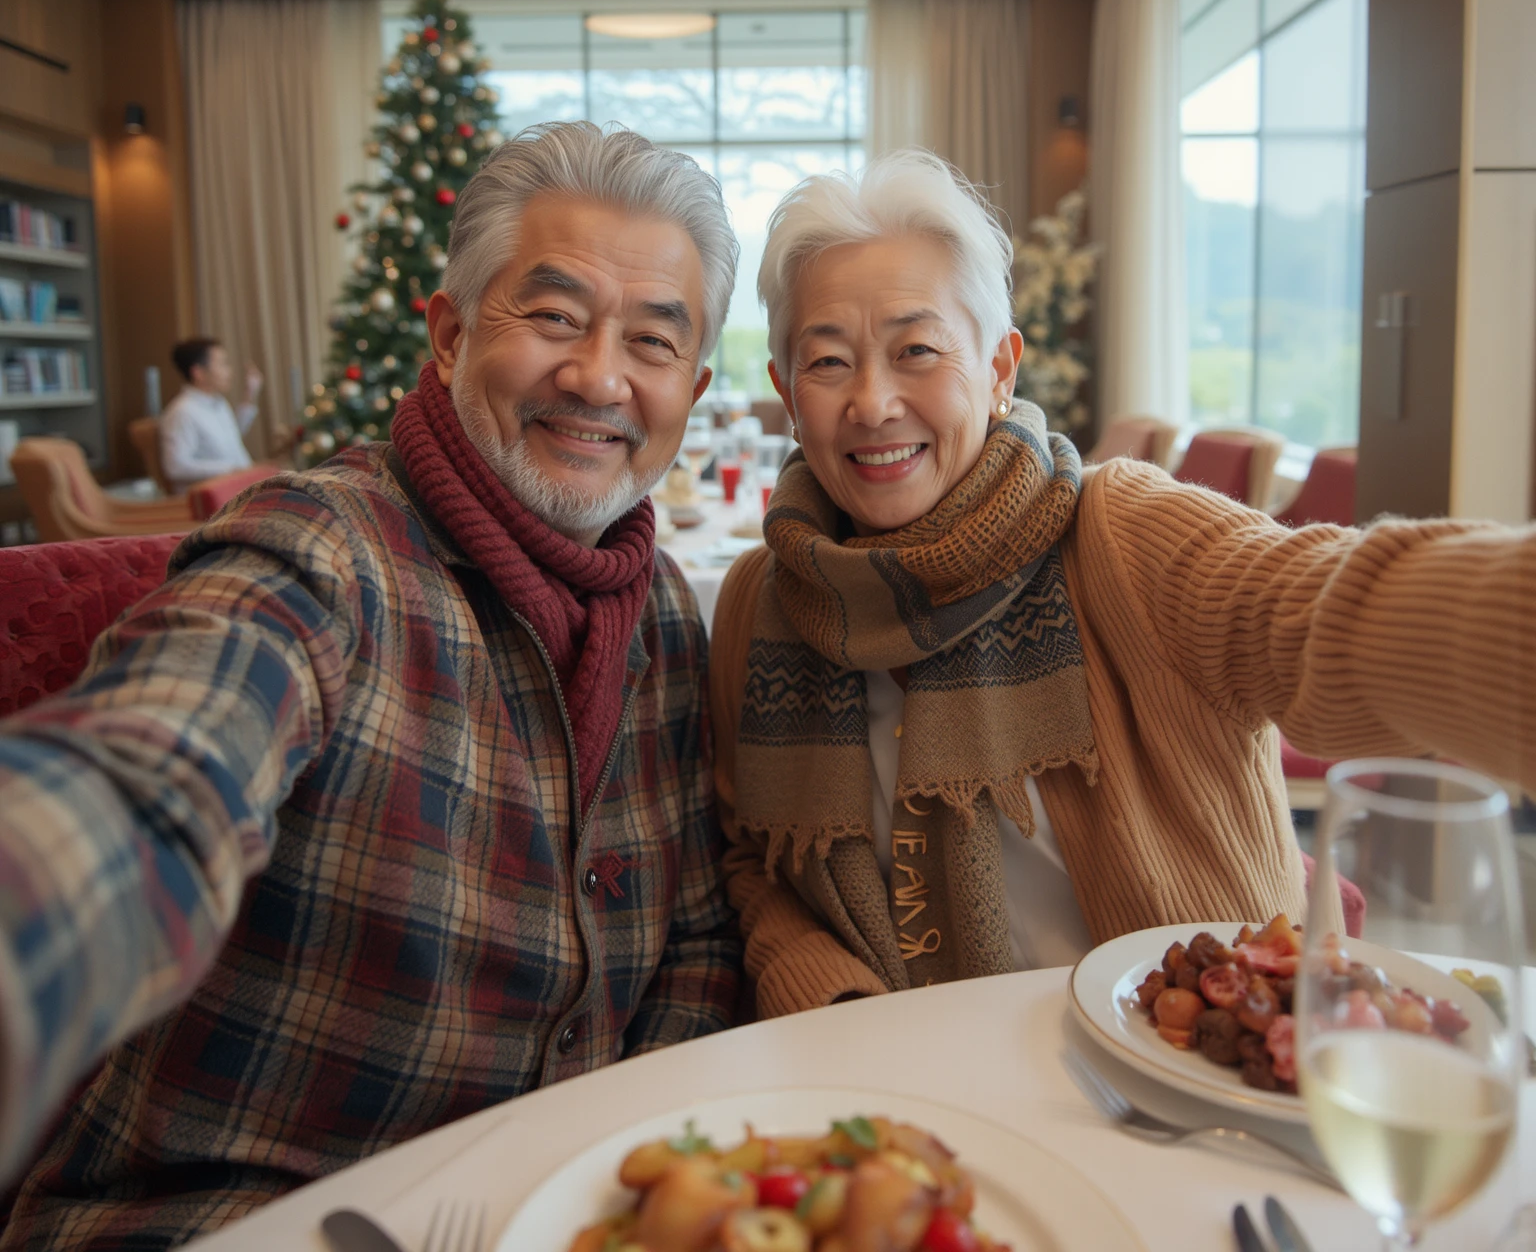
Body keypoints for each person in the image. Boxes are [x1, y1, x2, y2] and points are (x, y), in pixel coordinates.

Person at [0, 123, 742, 1247]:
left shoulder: (669, 615)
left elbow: (693, 942)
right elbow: (156, 777)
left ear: (690, 383)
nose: (600, 377)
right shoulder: (319, 550)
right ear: (447, 335)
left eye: (652, 340)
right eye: (552, 316)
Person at [710, 150, 1536, 1014]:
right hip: (912, 1101)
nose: (873, 402)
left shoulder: (1119, 536)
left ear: (999, 368)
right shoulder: (759, 604)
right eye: (829, 361)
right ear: (785, 393)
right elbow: (750, 857)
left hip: (1191, 1078)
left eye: (917, 349)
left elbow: (1325, 613)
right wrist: (834, 998)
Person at [159, 336, 265, 488]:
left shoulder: (219, 403)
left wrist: (250, 395)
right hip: (221, 500)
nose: (229, 371)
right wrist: (231, 469)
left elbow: (231, 436)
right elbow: (175, 467)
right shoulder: (182, 412)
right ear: (198, 373)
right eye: (222, 364)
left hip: (242, 488)